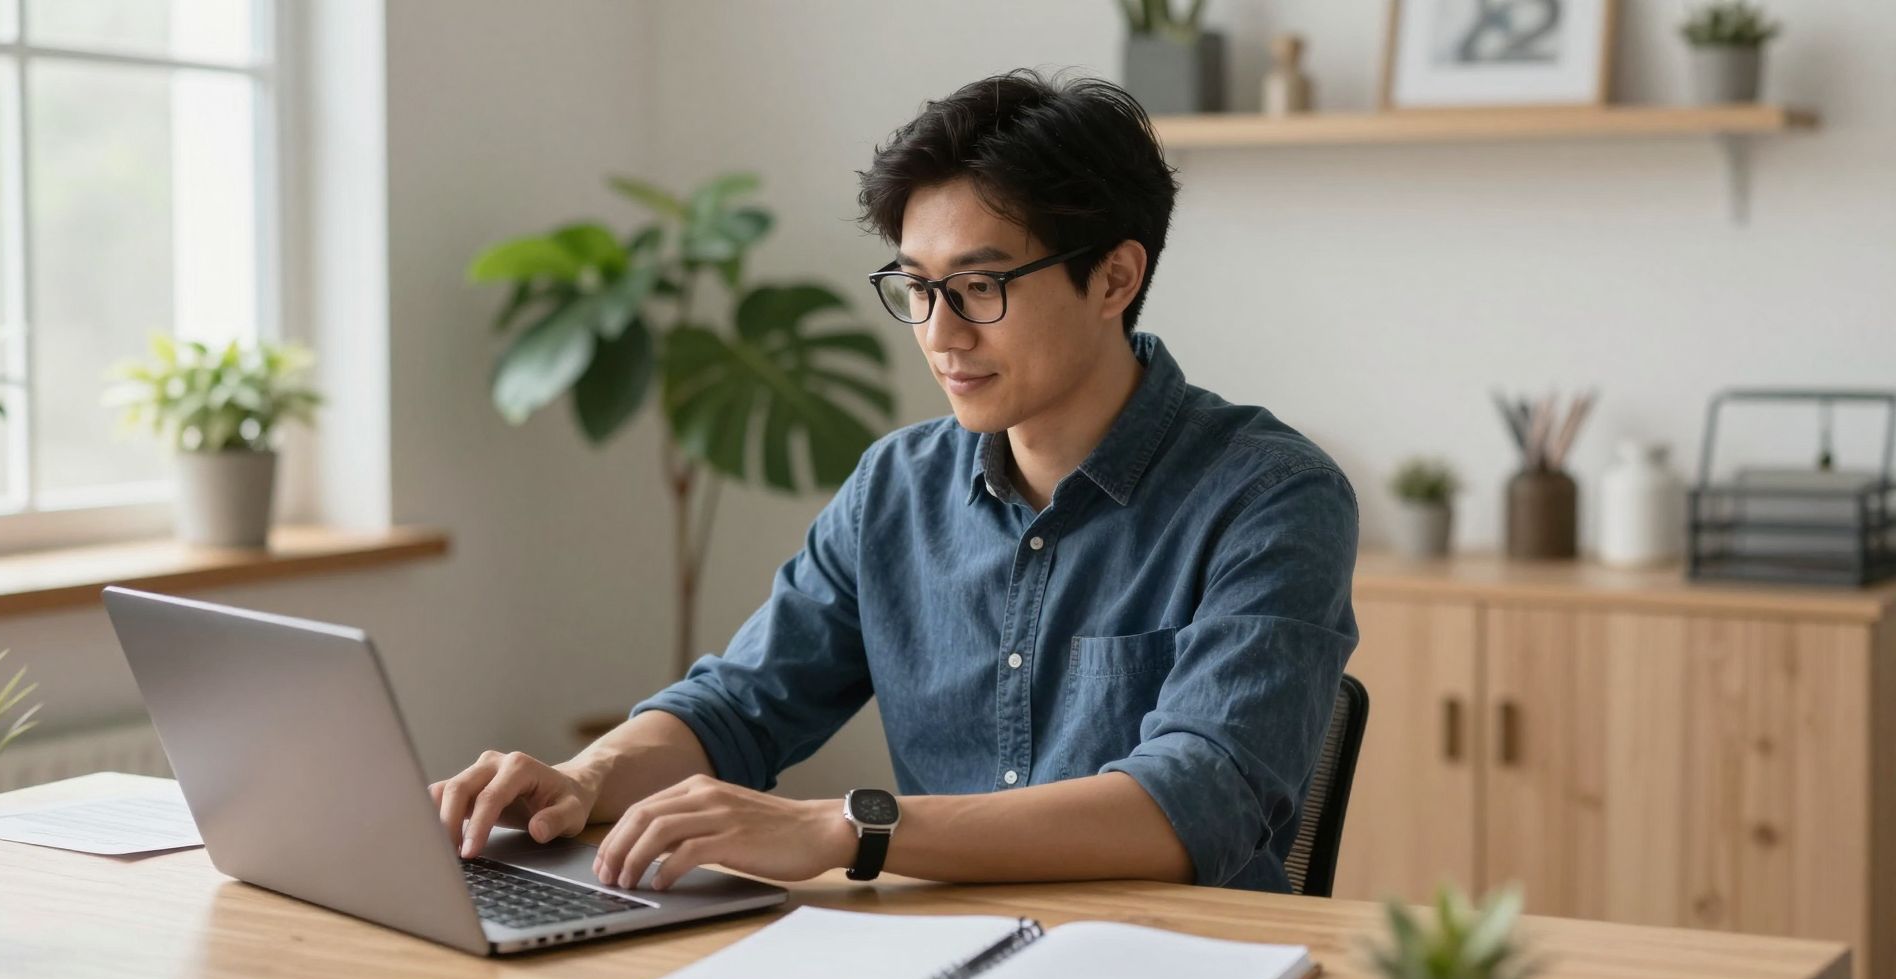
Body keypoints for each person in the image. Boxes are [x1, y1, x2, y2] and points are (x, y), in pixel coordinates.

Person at [433, 69, 1358, 895]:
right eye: (915, 286)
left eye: (980, 288)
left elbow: (1195, 801)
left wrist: (841, 828)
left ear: (1114, 277)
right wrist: (587, 777)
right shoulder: (897, 487)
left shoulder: (1272, 496)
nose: (940, 335)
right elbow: (738, 707)